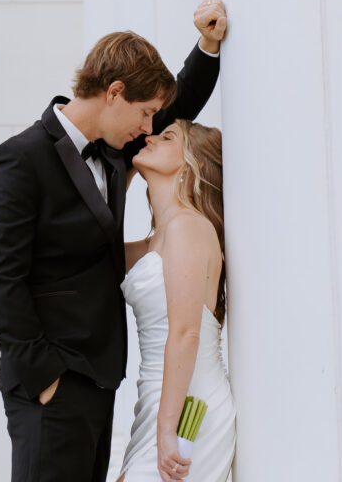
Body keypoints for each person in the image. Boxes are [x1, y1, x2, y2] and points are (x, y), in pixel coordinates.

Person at [0, 0, 227, 482]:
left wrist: (208, 46)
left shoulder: (114, 152)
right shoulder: (20, 159)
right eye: (145, 113)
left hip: (101, 380)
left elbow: (179, 110)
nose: (149, 128)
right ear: (114, 92)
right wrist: (44, 375)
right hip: (50, 380)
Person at [118, 120, 236, 482]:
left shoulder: (189, 226)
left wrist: (167, 429)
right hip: (156, 402)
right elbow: (95, 253)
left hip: (187, 408)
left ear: (192, 163)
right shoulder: (157, 239)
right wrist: (120, 178)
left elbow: (185, 333)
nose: (150, 137)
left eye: (167, 137)